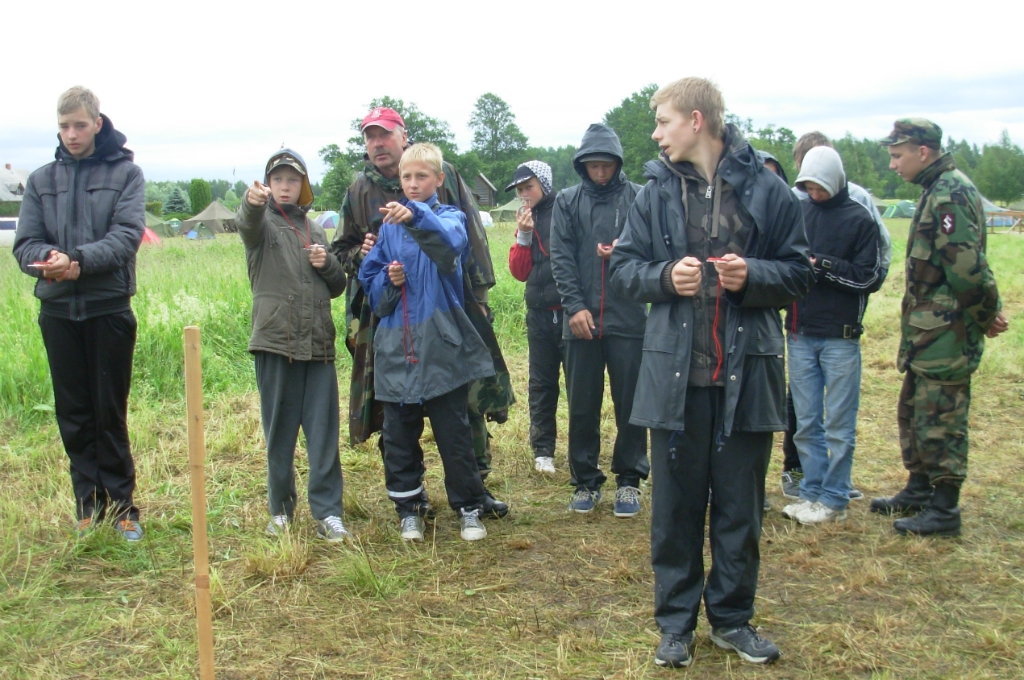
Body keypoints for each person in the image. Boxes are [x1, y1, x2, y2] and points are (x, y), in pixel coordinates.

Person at [609, 77, 813, 667]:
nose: (655, 133)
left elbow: (799, 273)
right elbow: (625, 268)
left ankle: (732, 621)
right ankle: (675, 625)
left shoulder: (770, 192)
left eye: (663, 120)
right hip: (674, 381)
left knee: (740, 511)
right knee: (673, 512)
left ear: (696, 121)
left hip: (748, 378)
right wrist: (662, 278)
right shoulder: (652, 195)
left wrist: (753, 276)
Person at [330, 107, 513, 486]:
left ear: (403, 136)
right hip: (387, 310)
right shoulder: (358, 191)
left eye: (385, 135)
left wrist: (479, 293)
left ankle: (474, 480)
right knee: (391, 400)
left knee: (462, 392)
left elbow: (471, 234)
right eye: (370, 137)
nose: (378, 144)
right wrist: (361, 253)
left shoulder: (440, 173)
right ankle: (407, 490)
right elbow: (342, 253)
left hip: (446, 300)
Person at [13, 87, 145, 541]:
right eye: (64, 126)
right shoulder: (41, 180)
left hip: (108, 308)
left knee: (109, 409)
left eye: (80, 125)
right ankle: (87, 504)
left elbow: (127, 236)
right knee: (73, 411)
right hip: (58, 313)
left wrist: (77, 261)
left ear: (97, 123)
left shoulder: (127, 174)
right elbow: (24, 243)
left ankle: (124, 505)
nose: (71, 134)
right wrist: (49, 257)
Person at [358, 143, 507, 542]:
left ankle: (469, 508)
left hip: (442, 347)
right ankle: (409, 509)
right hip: (396, 350)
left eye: (421, 176)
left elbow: (449, 247)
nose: (413, 184)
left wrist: (417, 216)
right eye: (407, 177)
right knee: (400, 436)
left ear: (439, 180)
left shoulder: (450, 218)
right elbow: (370, 287)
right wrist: (387, 283)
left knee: (453, 432)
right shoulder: (387, 228)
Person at [872, 119, 1007, 537]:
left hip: (947, 333)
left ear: (922, 152)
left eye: (897, 155)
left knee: (941, 416)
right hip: (928, 332)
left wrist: (987, 314)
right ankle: (920, 489)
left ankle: (945, 509)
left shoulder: (949, 192)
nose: (893, 164)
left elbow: (966, 267)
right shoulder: (937, 188)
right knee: (916, 410)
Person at [237, 149, 349, 542]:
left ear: (303, 186)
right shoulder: (262, 223)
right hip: (275, 342)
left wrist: (328, 264)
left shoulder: (316, 230)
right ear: (268, 184)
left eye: (292, 180)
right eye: (278, 179)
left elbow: (337, 287)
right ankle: (280, 512)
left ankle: (329, 512)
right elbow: (246, 223)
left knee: (323, 434)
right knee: (279, 433)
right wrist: (251, 204)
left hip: (318, 345)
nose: (285, 186)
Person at [780, 132, 893, 500]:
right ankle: (811, 490)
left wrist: (823, 266)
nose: (814, 194)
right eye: (808, 187)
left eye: (819, 187)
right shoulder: (798, 212)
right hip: (799, 332)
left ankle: (836, 493)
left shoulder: (860, 218)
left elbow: (871, 276)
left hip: (840, 336)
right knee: (806, 422)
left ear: (835, 180)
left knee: (839, 425)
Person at [550, 124, 649, 517]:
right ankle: (585, 481)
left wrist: (622, 252)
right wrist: (574, 307)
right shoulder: (567, 201)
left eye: (606, 165)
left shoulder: (640, 198)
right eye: (593, 165)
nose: (601, 172)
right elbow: (561, 255)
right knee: (582, 405)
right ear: (582, 165)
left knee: (631, 405)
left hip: (628, 318)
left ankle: (629, 480)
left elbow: (653, 250)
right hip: (580, 320)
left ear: (617, 162)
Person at [506, 161, 564, 474]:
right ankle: (543, 451)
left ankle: (585, 448)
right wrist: (524, 235)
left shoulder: (565, 210)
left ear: (544, 183)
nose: (524, 195)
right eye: (519, 190)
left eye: (529, 187)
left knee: (580, 384)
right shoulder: (525, 220)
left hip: (569, 312)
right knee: (541, 384)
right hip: (539, 314)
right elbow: (519, 272)